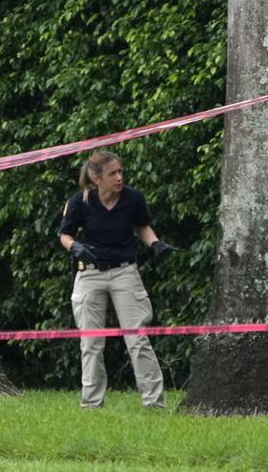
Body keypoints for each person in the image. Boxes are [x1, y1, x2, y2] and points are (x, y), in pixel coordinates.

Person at [59, 151, 177, 408]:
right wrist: (75, 247)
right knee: (91, 342)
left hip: (125, 272)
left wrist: (155, 244)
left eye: (120, 171)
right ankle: (91, 405)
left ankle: (155, 404)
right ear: (95, 177)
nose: (119, 177)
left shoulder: (133, 198)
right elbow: (65, 235)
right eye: (112, 173)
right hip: (89, 273)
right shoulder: (80, 201)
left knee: (138, 338)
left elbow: (142, 226)